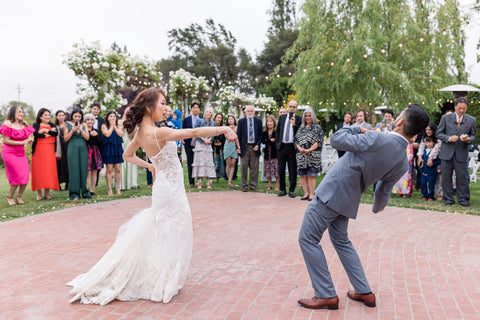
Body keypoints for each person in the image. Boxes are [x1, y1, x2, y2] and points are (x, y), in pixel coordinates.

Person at [67, 87, 236, 306]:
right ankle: (163, 277)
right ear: (149, 107)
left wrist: (150, 164)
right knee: (174, 230)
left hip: (163, 188)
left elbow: (126, 155)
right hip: (171, 191)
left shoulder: (141, 133)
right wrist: (225, 128)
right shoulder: (158, 133)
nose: (166, 107)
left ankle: (161, 273)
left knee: (163, 231)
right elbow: (193, 133)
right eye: (162, 103)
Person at [297, 104, 429, 310]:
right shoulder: (402, 160)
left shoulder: (378, 138)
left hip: (332, 192)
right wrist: (377, 207)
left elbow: (336, 140)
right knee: (341, 241)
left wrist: (357, 128)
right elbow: (383, 190)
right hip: (350, 198)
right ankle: (363, 291)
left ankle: (325, 294)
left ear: (400, 121)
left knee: (307, 238)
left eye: (399, 115)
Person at [437, 97, 477, 207]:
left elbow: (474, 136)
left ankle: (463, 200)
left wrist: (469, 139)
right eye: (460, 108)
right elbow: (439, 133)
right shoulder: (445, 118)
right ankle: (448, 200)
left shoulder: (472, 120)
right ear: (455, 107)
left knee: (462, 178)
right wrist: (449, 138)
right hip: (446, 153)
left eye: (464, 108)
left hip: (461, 153)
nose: (462, 111)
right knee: (446, 178)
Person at [0, 105, 34, 206]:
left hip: (21, 153)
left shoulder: (24, 124)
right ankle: (10, 197)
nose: (21, 114)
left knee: (25, 176)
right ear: (13, 112)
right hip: (9, 153)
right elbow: (6, 140)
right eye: (19, 112)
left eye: (22, 112)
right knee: (16, 175)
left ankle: (19, 196)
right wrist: (22, 142)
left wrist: (29, 140)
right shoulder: (7, 123)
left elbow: (28, 136)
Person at [295, 108, 324, 201]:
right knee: (302, 175)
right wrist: (300, 148)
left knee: (311, 175)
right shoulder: (301, 128)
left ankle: (312, 194)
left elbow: (319, 141)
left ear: (313, 116)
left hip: (313, 155)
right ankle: (305, 194)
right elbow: (296, 140)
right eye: (306, 116)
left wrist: (309, 149)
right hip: (301, 155)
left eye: (309, 116)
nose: (308, 117)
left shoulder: (317, 128)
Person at [31, 108, 59, 200]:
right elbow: (36, 134)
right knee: (39, 171)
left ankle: (46, 194)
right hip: (38, 150)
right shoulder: (36, 124)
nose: (47, 117)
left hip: (50, 150)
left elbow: (55, 133)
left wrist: (45, 131)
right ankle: (38, 194)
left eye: (48, 115)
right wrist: (47, 134)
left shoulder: (52, 124)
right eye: (45, 115)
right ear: (40, 116)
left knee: (49, 171)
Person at [64, 108, 91, 200]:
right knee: (74, 170)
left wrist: (82, 131)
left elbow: (87, 138)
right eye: (76, 116)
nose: (77, 118)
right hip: (72, 148)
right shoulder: (67, 124)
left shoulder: (84, 125)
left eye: (79, 116)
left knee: (84, 170)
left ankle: (85, 192)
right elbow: (65, 139)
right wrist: (72, 131)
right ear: (72, 116)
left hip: (83, 148)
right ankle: (74, 193)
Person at [276, 100, 302, 198]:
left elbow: (300, 132)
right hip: (282, 147)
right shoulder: (282, 118)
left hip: (292, 147)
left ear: (296, 108)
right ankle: (282, 189)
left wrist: (294, 125)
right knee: (281, 169)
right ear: (288, 107)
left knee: (292, 169)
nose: (292, 108)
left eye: (294, 107)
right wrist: (277, 144)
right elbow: (278, 131)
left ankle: (291, 190)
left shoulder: (299, 119)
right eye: (290, 106)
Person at [237, 105, 263, 192]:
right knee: (243, 167)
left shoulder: (258, 121)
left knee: (254, 168)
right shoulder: (241, 121)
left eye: (251, 111)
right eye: (248, 111)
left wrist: (258, 145)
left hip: (254, 147)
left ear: (254, 112)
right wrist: (238, 147)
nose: (250, 113)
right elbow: (238, 135)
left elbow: (261, 135)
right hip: (244, 147)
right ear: (246, 112)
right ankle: (244, 185)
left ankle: (253, 185)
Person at [417, 123, 443, 201]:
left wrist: (430, 158)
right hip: (426, 162)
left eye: (430, 130)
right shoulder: (424, 138)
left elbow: (436, 148)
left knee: (438, 179)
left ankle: (438, 194)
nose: (428, 131)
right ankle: (426, 194)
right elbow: (421, 147)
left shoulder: (438, 138)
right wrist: (419, 156)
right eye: (426, 130)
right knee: (426, 179)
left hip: (436, 160)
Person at [191, 107, 216, 189]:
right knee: (200, 162)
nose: (208, 114)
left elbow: (214, 132)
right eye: (207, 112)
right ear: (205, 113)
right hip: (200, 143)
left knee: (208, 163)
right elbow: (196, 131)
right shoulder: (199, 121)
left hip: (208, 144)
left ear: (212, 114)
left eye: (210, 112)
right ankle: (200, 182)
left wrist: (210, 139)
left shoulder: (213, 123)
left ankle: (208, 182)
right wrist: (203, 139)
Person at [102, 111, 124, 196]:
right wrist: (111, 126)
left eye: (114, 116)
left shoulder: (119, 126)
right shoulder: (104, 126)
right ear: (107, 118)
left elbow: (120, 134)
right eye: (111, 116)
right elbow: (107, 134)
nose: (113, 118)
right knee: (109, 169)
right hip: (108, 149)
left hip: (117, 148)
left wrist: (114, 126)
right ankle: (109, 189)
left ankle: (118, 189)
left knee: (118, 169)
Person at [182, 102, 202, 187]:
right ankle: (191, 182)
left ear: (199, 109)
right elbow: (183, 130)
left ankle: (199, 181)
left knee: (198, 163)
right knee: (190, 162)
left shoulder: (202, 119)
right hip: (189, 144)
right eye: (194, 108)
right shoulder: (186, 119)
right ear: (191, 109)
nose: (195, 109)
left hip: (199, 144)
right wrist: (184, 140)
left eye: (197, 108)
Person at [120, 107, 139, 190]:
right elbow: (120, 132)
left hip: (129, 142)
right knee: (122, 163)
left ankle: (132, 182)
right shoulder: (120, 121)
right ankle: (122, 184)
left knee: (132, 161)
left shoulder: (134, 123)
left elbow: (132, 135)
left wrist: (134, 127)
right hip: (122, 142)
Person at [84, 113, 103, 196]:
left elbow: (100, 142)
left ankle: (92, 190)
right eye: (88, 119)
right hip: (87, 151)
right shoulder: (84, 130)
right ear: (85, 121)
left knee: (94, 172)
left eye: (92, 120)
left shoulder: (96, 130)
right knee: (88, 172)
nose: (90, 121)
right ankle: (86, 189)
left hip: (95, 152)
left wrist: (96, 135)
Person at [420, 136, 441, 201]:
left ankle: (430, 196)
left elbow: (439, 160)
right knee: (423, 183)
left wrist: (433, 163)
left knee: (431, 184)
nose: (428, 144)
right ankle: (425, 195)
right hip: (424, 170)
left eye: (430, 142)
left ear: (434, 143)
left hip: (431, 171)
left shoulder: (435, 152)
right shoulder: (424, 150)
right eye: (427, 142)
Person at [261, 115, 279, 190]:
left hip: (275, 153)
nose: (269, 123)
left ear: (274, 122)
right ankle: (269, 184)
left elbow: (276, 141)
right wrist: (270, 140)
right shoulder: (264, 132)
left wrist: (268, 141)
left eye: (271, 121)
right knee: (268, 169)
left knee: (276, 169)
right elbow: (263, 141)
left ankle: (277, 185)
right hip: (267, 153)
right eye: (268, 121)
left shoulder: (276, 131)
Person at [223, 115, 241, 187]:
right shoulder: (226, 128)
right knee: (228, 163)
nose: (230, 120)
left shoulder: (238, 127)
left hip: (235, 145)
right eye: (229, 119)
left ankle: (230, 179)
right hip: (228, 145)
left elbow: (238, 136)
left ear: (234, 120)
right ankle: (229, 180)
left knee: (233, 163)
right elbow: (227, 136)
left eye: (232, 119)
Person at [55, 110, 69, 191]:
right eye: (59, 115)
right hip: (58, 148)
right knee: (58, 167)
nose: (61, 117)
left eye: (62, 115)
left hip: (66, 147)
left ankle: (67, 184)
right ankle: (58, 185)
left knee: (67, 166)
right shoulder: (54, 126)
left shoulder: (68, 125)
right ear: (56, 116)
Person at [90, 103, 104, 188]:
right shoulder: (86, 119)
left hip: (99, 144)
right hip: (89, 143)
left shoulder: (102, 120)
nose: (96, 110)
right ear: (91, 109)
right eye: (94, 109)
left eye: (97, 109)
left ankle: (95, 183)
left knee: (98, 164)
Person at [213, 113, 226, 183]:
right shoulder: (211, 126)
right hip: (213, 147)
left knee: (219, 163)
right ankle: (211, 177)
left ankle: (218, 178)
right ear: (215, 118)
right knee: (213, 162)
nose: (219, 119)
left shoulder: (222, 128)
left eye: (220, 118)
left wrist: (220, 142)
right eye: (218, 117)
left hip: (220, 148)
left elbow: (223, 138)